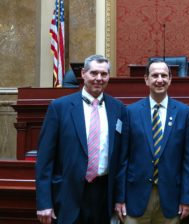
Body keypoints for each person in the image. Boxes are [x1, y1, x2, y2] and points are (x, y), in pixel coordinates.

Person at [35, 54, 127, 224]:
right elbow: (44, 160)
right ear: (83, 74)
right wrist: (44, 203)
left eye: (104, 74)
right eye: (94, 73)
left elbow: (122, 159)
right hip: (67, 194)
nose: (99, 78)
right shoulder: (59, 107)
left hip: (104, 194)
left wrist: (119, 198)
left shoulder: (119, 109)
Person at [115, 59, 189, 224]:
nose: (160, 79)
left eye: (164, 75)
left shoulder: (185, 112)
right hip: (135, 198)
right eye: (155, 75)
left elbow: (188, 161)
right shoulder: (130, 112)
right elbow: (122, 159)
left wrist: (187, 198)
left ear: (170, 79)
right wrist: (119, 198)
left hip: (171, 198)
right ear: (146, 79)